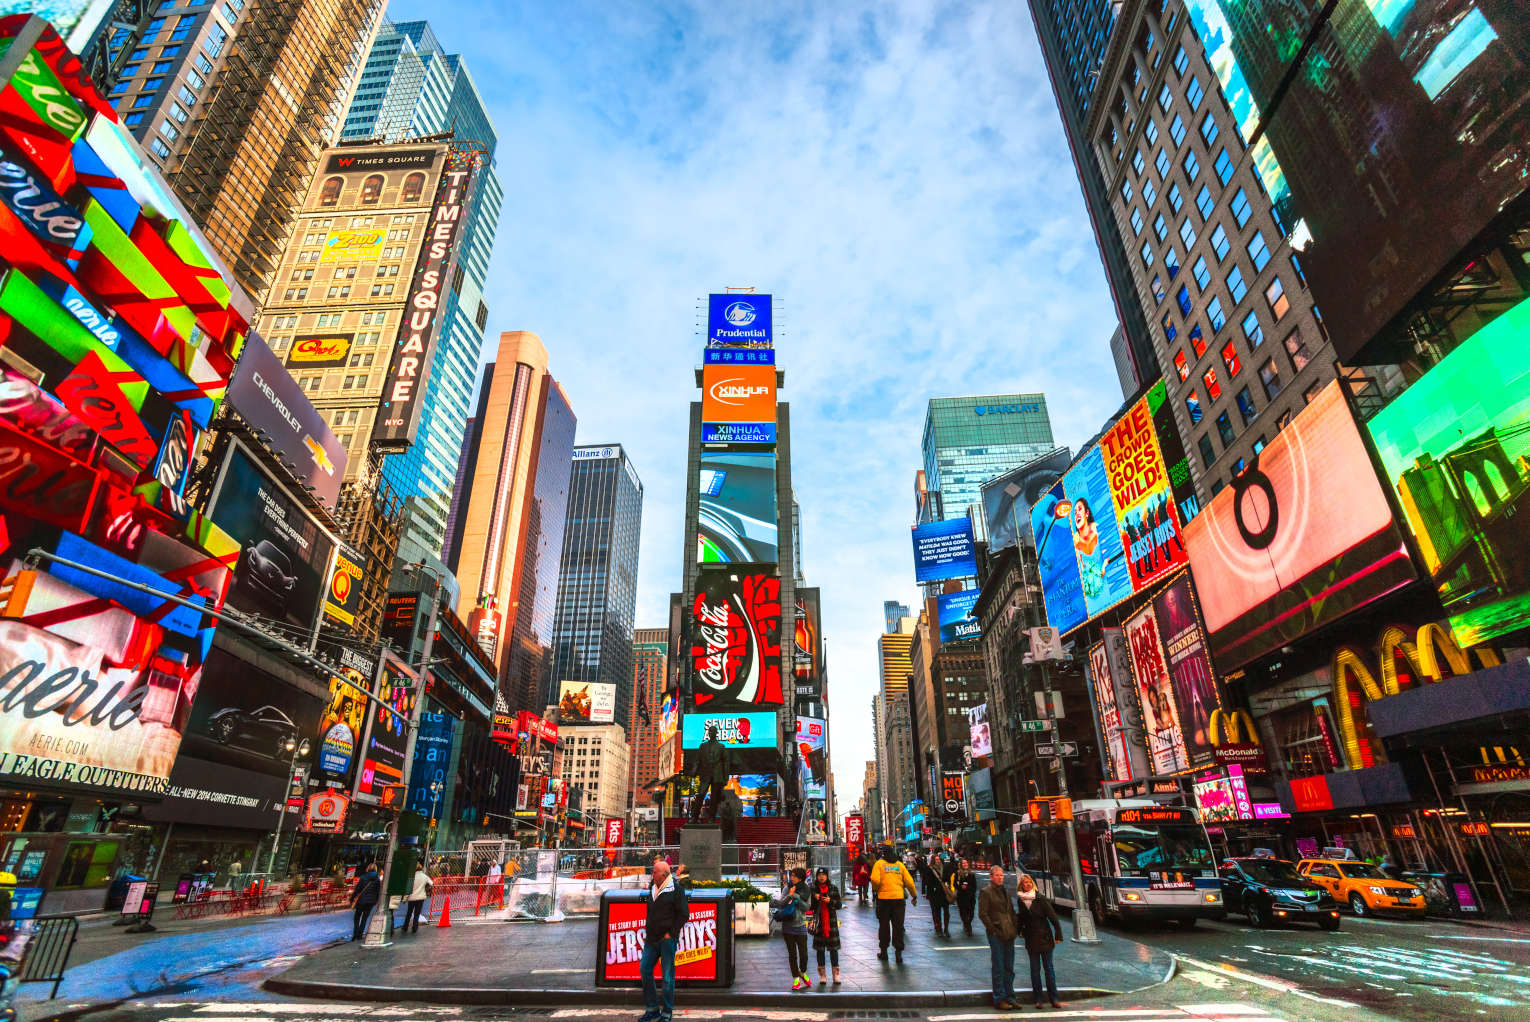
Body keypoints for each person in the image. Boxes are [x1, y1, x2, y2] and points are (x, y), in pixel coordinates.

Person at [640, 860, 683, 1022]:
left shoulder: (676, 890)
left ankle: (667, 1012)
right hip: (651, 939)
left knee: (667, 977)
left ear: (663, 875)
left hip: (666, 940)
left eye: (655, 872)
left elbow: (683, 914)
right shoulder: (653, 888)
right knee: (645, 970)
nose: (652, 874)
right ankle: (652, 1009)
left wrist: (670, 934)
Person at [1016, 874, 1065, 1009]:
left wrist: (1058, 934)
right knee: (1034, 970)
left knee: (1049, 969)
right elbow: (1021, 917)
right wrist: (1018, 930)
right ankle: (1038, 999)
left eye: (1029, 882)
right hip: (1031, 939)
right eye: (1025, 883)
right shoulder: (1020, 900)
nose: (1027, 884)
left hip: (1045, 937)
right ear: (1021, 885)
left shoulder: (1040, 898)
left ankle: (1054, 998)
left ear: (1032, 884)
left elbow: (1053, 917)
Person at [978, 865, 1019, 1009]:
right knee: (998, 967)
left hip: (1009, 933)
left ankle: (1010, 996)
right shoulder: (985, 892)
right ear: (991, 877)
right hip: (996, 934)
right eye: (997, 875)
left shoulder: (1005, 892)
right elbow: (982, 913)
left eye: (1002, 875)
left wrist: (1015, 928)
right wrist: (993, 930)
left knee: (1009, 967)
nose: (1000, 877)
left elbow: (1011, 911)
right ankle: (999, 998)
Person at [870, 845, 916, 963]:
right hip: (898, 900)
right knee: (898, 927)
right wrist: (914, 895)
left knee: (884, 926)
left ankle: (884, 952)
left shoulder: (879, 864)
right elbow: (909, 882)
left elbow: (874, 879)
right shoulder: (899, 865)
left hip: (883, 900)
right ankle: (898, 954)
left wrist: (877, 889)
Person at [773, 867, 813, 990]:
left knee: (804, 954)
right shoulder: (786, 888)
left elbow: (806, 908)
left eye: (795, 876)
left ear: (800, 878)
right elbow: (781, 904)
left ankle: (802, 971)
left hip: (800, 925)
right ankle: (796, 978)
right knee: (792, 954)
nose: (792, 878)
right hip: (788, 926)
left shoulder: (806, 890)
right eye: (792, 875)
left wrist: (795, 896)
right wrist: (789, 896)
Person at [807, 866, 843, 985]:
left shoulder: (833, 888)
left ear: (827, 876)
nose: (821, 877)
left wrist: (830, 901)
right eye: (819, 875)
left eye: (823, 875)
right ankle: (822, 975)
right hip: (819, 923)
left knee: (834, 949)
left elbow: (839, 905)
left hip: (831, 922)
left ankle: (835, 975)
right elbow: (807, 906)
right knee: (820, 949)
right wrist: (814, 898)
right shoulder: (812, 889)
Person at [918, 853, 950, 936]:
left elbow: (948, 878)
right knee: (936, 912)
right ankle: (938, 928)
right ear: (933, 861)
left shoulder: (944, 868)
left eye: (938, 859)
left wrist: (948, 884)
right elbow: (925, 881)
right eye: (936, 860)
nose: (938, 861)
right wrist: (923, 892)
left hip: (943, 892)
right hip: (934, 893)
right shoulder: (929, 869)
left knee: (946, 911)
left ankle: (946, 928)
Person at [350, 862, 380, 941]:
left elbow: (357, 890)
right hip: (370, 902)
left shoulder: (363, 877)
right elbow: (378, 891)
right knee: (364, 918)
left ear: (368, 868)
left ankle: (355, 934)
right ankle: (360, 935)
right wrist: (376, 900)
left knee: (357, 917)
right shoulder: (377, 879)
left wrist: (352, 898)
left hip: (361, 900)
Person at [949, 858, 980, 936]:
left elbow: (974, 886)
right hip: (961, 897)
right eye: (963, 863)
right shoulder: (958, 874)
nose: (965, 864)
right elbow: (954, 884)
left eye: (966, 863)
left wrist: (968, 888)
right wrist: (960, 887)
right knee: (963, 913)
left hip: (970, 897)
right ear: (961, 865)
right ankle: (968, 927)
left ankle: (967, 924)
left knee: (971, 913)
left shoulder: (971, 874)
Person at [403, 863, 432, 934]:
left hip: (412, 897)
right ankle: (415, 928)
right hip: (420, 897)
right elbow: (431, 883)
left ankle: (405, 927)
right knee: (417, 913)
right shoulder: (425, 876)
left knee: (409, 913)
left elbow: (408, 889)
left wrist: (404, 899)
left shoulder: (412, 877)